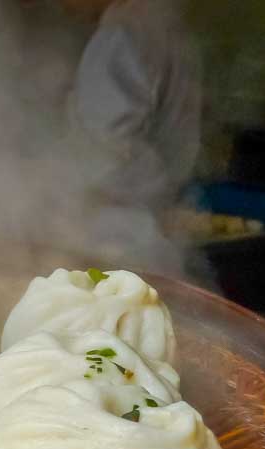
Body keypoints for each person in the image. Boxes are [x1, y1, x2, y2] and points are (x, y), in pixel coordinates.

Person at [64, 0, 202, 269]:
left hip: (121, 241)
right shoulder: (165, 24)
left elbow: (104, 151)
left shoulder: (120, 36)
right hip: (159, 233)